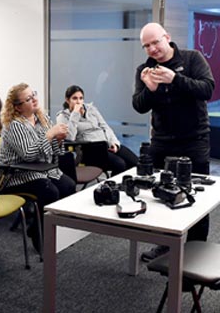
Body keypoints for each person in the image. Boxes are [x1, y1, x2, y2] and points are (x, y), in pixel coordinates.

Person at [133, 22, 215, 261]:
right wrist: (150, 89)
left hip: (194, 140)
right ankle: (164, 246)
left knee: (197, 198)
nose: (152, 49)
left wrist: (175, 79)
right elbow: (138, 105)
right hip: (161, 142)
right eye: (146, 45)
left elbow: (207, 89)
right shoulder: (145, 69)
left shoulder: (192, 59)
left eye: (155, 42)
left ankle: (195, 253)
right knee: (159, 195)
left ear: (166, 37)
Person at [0, 83, 76, 252]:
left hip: (41, 169)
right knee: (50, 192)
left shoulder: (42, 118)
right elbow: (28, 154)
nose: (34, 99)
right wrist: (50, 134)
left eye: (33, 94)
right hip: (17, 174)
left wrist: (59, 140)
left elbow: (55, 153)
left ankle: (46, 230)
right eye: (28, 98)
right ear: (17, 107)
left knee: (68, 185)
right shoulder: (14, 125)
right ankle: (41, 239)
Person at [56, 85, 138, 176]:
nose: (78, 101)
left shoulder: (91, 109)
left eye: (81, 98)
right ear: (67, 100)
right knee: (120, 164)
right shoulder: (62, 116)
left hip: (106, 144)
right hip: (91, 151)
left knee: (135, 162)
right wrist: (75, 113)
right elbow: (70, 137)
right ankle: (113, 187)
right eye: (74, 98)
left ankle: (126, 184)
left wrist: (114, 143)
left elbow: (105, 127)